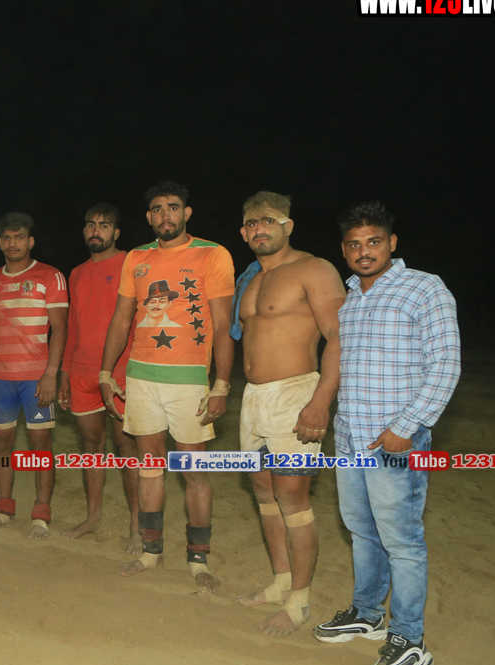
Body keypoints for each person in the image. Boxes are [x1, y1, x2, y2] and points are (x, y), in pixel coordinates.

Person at [313, 201, 459, 665]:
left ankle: (410, 640)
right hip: (351, 438)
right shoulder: (350, 299)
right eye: (354, 244)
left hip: (397, 443)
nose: (364, 251)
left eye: (373, 241)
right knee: (361, 529)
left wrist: (408, 426)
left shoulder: (424, 287)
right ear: (344, 250)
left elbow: (445, 366)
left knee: (402, 540)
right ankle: (367, 613)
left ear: (392, 243)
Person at [99, 181, 234, 591]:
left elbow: (223, 325)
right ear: (148, 217)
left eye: (173, 207)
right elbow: (122, 318)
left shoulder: (212, 254)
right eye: (157, 209)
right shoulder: (137, 257)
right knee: (150, 468)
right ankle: (150, 551)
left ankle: (198, 558)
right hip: (141, 378)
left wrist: (221, 384)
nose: (165, 215)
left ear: (187, 213)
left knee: (194, 472)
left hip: (189, 381)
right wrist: (105, 373)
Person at [231, 192, 346, 636]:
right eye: (251, 223)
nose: (259, 228)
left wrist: (320, 401)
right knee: (264, 492)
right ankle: (280, 581)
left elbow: (339, 337)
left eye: (268, 220)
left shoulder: (314, 270)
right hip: (254, 398)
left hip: (296, 394)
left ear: (288, 226)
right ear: (243, 232)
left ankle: (299, 601)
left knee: (293, 497)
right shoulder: (252, 279)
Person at [0, 212, 68, 540]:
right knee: (2, 444)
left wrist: (51, 374)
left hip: (36, 377)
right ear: (0, 242)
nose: (12, 243)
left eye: (18, 237)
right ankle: (4, 509)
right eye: (6, 238)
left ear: (30, 241)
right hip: (0, 377)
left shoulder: (50, 276)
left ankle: (41, 514)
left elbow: (60, 328)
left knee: (40, 445)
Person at [57, 204, 140, 551]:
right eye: (91, 225)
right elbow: (73, 325)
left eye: (104, 226)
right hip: (82, 371)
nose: (96, 231)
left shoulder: (130, 264)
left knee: (127, 446)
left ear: (116, 233)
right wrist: (65, 370)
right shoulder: (76, 273)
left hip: (122, 372)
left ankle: (137, 526)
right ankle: (93, 517)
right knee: (91, 445)